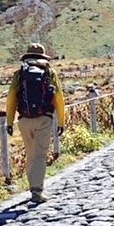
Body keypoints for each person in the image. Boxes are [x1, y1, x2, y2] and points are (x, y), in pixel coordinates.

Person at [6, 42, 68, 204]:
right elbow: (59, 99)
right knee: (40, 155)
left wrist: (9, 122)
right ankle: (37, 191)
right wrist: (61, 121)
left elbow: (11, 98)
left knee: (31, 154)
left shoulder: (19, 74)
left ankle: (32, 186)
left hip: (24, 119)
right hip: (44, 119)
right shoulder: (50, 72)